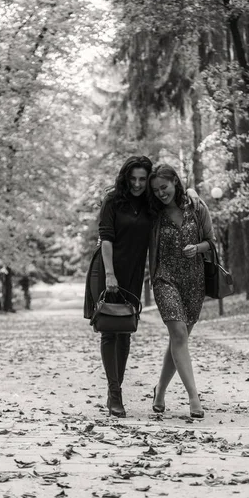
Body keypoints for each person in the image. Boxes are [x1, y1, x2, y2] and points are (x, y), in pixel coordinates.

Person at [84, 156, 199, 418]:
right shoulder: (113, 200)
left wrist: (191, 191)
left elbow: (174, 196)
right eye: (132, 178)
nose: (137, 184)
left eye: (142, 179)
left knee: (124, 330)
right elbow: (106, 238)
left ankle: (117, 387)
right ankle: (115, 394)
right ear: (125, 177)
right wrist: (111, 275)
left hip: (134, 273)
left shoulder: (150, 204)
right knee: (109, 330)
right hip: (108, 269)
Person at [148, 164, 215, 419]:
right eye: (155, 190)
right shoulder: (153, 214)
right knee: (178, 333)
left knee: (179, 340)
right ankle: (193, 398)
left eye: (164, 187)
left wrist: (197, 248)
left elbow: (211, 242)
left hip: (194, 282)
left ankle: (160, 392)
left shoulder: (197, 207)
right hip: (165, 278)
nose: (160, 193)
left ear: (175, 182)